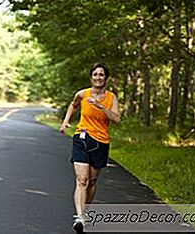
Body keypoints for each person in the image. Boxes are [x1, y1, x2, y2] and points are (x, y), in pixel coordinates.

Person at [59, 62, 121, 234]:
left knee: (92, 181)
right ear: (91, 77)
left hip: (101, 142)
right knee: (82, 180)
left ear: (106, 78)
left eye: (101, 75)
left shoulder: (111, 98)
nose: (98, 77)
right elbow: (73, 104)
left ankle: (84, 212)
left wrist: (101, 106)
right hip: (82, 138)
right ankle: (79, 217)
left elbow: (116, 119)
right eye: (95, 74)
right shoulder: (82, 93)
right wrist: (66, 121)